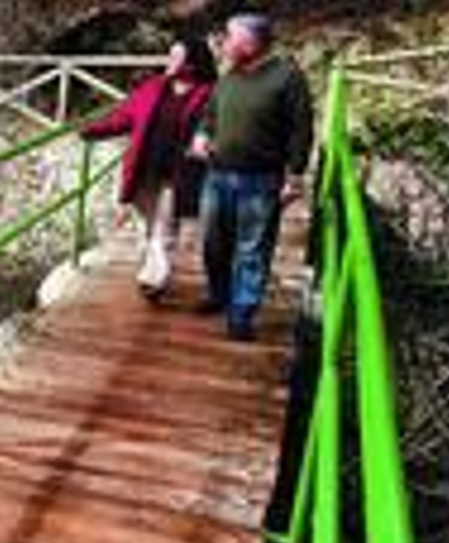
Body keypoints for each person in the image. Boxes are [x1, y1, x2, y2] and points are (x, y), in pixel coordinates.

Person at [191, 13, 314, 340]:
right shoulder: (229, 75)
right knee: (213, 244)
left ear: (250, 42)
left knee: (252, 248)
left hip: (260, 180)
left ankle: (241, 313)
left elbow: (301, 130)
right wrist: (202, 135)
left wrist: (295, 175)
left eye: (230, 37)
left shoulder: (287, 77)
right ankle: (219, 296)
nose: (225, 43)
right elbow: (210, 114)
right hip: (218, 175)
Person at [81, 37, 217, 304]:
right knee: (145, 225)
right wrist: (93, 130)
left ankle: (155, 278)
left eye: (176, 56)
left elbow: (216, 130)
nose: (170, 61)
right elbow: (124, 116)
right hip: (144, 169)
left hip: (180, 173)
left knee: (165, 227)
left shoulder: (209, 94)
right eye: (170, 55)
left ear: (192, 62)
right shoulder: (153, 87)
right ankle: (151, 268)